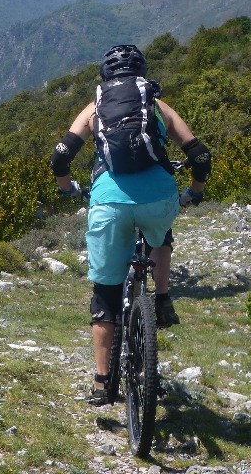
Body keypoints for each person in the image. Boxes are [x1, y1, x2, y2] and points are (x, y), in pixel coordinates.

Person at [50, 43, 211, 406]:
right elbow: (199, 155)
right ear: (141, 72)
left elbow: (60, 157)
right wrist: (194, 192)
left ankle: (102, 382)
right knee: (161, 232)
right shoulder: (157, 105)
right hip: (158, 197)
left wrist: (67, 190)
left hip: (109, 200)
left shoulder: (94, 109)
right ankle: (164, 297)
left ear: (104, 77)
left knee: (105, 293)